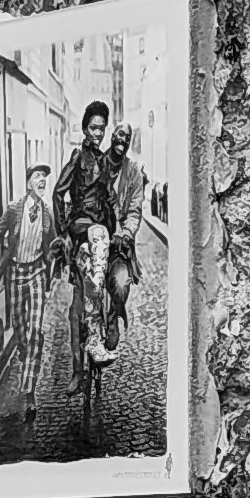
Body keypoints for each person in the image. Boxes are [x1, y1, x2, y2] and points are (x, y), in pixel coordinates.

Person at [53, 103, 121, 368]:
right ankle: (89, 345)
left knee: (115, 272)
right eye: (94, 128)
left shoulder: (103, 160)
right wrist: (62, 232)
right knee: (100, 236)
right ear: (84, 129)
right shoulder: (77, 157)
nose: (98, 133)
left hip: (100, 226)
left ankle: (103, 331)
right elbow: (58, 193)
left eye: (102, 128)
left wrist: (120, 224)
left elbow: (109, 196)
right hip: (82, 224)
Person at [0, 161, 53, 417]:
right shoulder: (14, 209)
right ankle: (24, 351)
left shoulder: (47, 213)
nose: (42, 180)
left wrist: (58, 258)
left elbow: (52, 244)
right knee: (21, 331)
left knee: (35, 331)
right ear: (29, 182)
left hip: (37, 272)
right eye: (37, 176)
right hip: (15, 273)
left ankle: (29, 391)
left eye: (44, 177)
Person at [102, 124, 146, 349]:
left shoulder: (133, 171)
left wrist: (127, 232)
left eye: (127, 137)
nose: (123, 140)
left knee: (121, 284)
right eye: (120, 135)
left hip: (119, 246)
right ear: (112, 136)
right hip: (94, 240)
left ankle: (112, 317)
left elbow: (135, 209)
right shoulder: (97, 165)